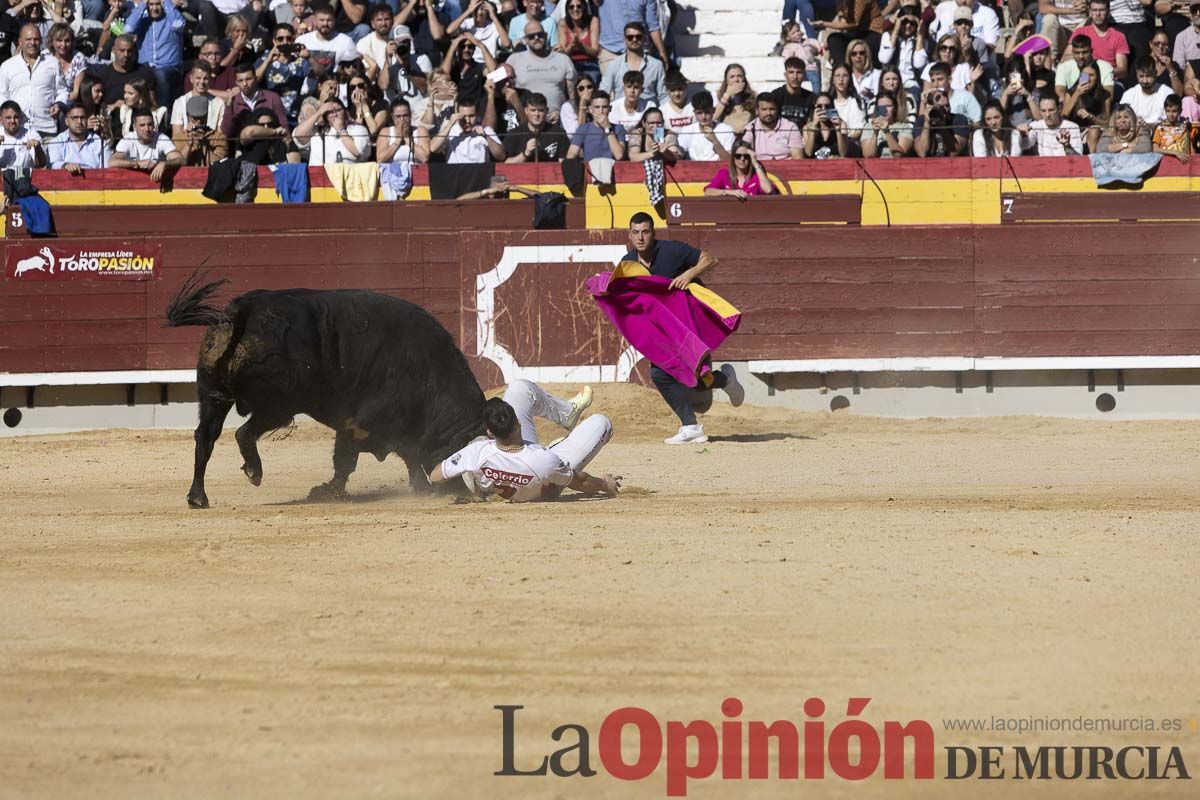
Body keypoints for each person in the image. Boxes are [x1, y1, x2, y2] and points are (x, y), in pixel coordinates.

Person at [623, 212, 745, 444]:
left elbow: (710, 259)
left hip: (689, 323)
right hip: (664, 329)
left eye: (645, 232)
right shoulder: (627, 263)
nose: (640, 238)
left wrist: (688, 274)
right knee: (665, 374)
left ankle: (717, 388)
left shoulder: (672, 251)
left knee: (693, 376)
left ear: (653, 233)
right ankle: (696, 417)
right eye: (636, 233)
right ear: (629, 235)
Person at [429, 382, 621, 501]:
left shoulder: (477, 452)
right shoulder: (545, 461)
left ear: (490, 433)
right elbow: (580, 482)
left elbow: (436, 475)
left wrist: (457, 463)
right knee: (602, 423)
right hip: (546, 470)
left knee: (519, 388)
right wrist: (605, 484)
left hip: (519, 471)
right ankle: (559, 442)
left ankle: (567, 414)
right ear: (518, 422)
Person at [0, 24, 66, 138]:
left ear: (41, 41)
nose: (32, 43)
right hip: (18, 130)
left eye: (36, 39)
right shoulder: (7, 66)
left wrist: (58, 104)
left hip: (46, 128)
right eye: (28, 39)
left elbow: (63, 91)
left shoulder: (53, 63)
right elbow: (2, 96)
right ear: (20, 42)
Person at [125, 0, 186, 109]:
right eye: (151, 4)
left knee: (160, 74)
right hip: (146, 66)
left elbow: (179, 24)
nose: (154, 8)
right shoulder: (143, 21)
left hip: (169, 67)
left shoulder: (171, 19)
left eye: (157, 4)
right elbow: (128, 28)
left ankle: (162, 112)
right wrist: (143, 4)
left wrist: (166, 2)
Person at [507, 17, 576, 112]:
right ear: (525, 40)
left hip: (557, 120)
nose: (536, 38)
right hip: (524, 120)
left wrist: (562, 115)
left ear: (546, 36)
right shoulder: (514, 60)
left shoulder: (563, 59)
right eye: (531, 36)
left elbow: (573, 97)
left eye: (540, 35)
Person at [109, 106, 182, 184]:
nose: (147, 129)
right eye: (142, 125)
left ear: (154, 125)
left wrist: (164, 164)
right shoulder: (128, 139)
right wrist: (137, 163)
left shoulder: (161, 138)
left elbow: (180, 159)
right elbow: (112, 162)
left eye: (150, 124)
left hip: (156, 185)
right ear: (134, 127)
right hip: (130, 184)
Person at [600, 21, 666, 106]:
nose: (634, 40)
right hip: (621, 115)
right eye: (630, 37)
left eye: (638, 37)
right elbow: (603, 91)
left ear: (644, 38)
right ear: (625, 39)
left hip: (649, 114)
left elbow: (663, 96)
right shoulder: (613, 65)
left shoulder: (657, 65)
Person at [293, 96, 371, 162]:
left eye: (338, 110)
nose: (335, 114)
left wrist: (341, 130)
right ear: (325, 115)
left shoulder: (357, 129)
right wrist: (319, 113)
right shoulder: (317, 131)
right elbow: (298, 136)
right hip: (319, 176)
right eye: (330, 112)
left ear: (345, 111)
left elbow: (358, 151)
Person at [429, 95, 505, 162]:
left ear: (477, 115)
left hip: (479, 174)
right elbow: (433, 148)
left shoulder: (485, 130)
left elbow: (501, 156)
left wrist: (486, 137)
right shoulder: (451, 131)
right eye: (464, 116)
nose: (467, 120)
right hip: (455, 175)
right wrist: (450, 124)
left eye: (471, 116)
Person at [1069, 0, 1130, 82]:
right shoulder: (1080, 32)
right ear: (1090, 12)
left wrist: (1098, 71)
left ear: (1108, 12)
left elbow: (1122, 71)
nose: (1097, 14)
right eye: (1094, 10)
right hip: (1083, 78)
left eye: (1101, 10)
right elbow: (1066, 58)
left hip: (1108, 79)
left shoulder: (1118, 36)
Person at [814, 0, 883, 70]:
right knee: (834, 39)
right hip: (856, 31)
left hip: (872, 30)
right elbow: (841, 18)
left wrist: (824, 24)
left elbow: (854, 23)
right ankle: (842, 70)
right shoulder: (841, 1)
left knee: (864, 47)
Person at [504, 91, 569, 162]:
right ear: (526, 111)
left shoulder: (559, 133)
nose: (537, 114)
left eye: (541, 110)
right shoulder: (514, 134)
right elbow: (505, 163)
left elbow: (564, 163)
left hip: (549, 172)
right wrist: (525, 154)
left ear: (546, 111)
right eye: (533, 110)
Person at [171, 63, 227, 139]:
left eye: (205, 78)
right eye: (198, 78)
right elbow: (176, 138)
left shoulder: (219, 103)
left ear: (210, 80)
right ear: (191, 78)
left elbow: (220, 136)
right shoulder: (180, 102)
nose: (202, 82)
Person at [565, 90, 626, 159]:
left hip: (611, 167)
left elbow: (619, 155)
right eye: (597, 107)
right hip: (589, 168)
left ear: (610, 108)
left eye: (605, 107)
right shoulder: (583, 129)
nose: (601, 111)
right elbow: (571, 154)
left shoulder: (618, 128)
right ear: (590, 109)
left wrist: (607, 128)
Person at [675, 90, 734, 161]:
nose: (703, 117)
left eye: (707, 112)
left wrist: (715, 141)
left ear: (713, 110)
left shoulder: (726, 130)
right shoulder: (687, 131)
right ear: (694, 113)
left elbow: (729, 162)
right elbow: (677, 157)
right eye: (699, 113)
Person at [741, 92, 803, 159]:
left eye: (772, 109)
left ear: (777, 110)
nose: (768, 113)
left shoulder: (790, 127)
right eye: (764, 109)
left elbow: (798, 158)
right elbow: (742, 153)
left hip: (785, 167)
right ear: (757, 110)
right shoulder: (750, 128)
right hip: (758, 167)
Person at [704, 139, 776, 196]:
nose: (742, 159)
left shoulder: (756, 176)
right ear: (733, 158)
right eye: (738, 156)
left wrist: (755, 163)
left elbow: (768, 190)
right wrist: (728, 192)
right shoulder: (724, 174)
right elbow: (708, 192)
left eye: (746, 156)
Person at [47, 102, 106, 172]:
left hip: (94, 181)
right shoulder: (57, 142)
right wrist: (65, 165)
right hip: (66, 180)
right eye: (75, 118)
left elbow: (107, 168)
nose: (79, 122)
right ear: (66, 121)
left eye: (83, 118)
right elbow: (54, 164)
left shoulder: (99, 142)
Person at [175, 94, 229, 165]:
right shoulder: (179, 138)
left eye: (201, 119)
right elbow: (177, 164)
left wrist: (203, 145)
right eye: (194, 119)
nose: (198, 122)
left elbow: (219, 166)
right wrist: (188, 144)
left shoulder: (218, 138)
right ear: (188, 117)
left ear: (207, 116)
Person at [914, 88, 970, 156]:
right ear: (930, 107)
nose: (945, 110)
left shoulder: (959, 119)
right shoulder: (922, 120)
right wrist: (927, 123)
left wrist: (942, 127)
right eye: (941, 107)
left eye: (947, 106)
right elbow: (922, 153)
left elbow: (954, 152)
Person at [1119, 56, 1174, 123]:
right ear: (1137, 75)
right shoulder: (1128, 95)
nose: (1145, 81)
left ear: (1156, 73)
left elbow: (1170, 122)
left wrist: (1148, 126)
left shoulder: (1167, 93)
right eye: (1141, 76)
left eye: (1148, 76)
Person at [861, 90, 915, 156]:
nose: (885, 110)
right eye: (881, 107)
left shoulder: (904, 127)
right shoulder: (869, 127)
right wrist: (875, 133)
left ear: (895, 107)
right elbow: (868, 156)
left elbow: (899, 155)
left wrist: (887, 132)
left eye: (888, 106)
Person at [558, 0, 600, 84]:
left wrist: (581, 46)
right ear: (567, 9)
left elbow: (595, 52)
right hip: (570, 64)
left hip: (590, 64)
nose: (575, 9)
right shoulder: (563, 23)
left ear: (584, 7)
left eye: (579, 6)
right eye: (571, 7)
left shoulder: (593, 21)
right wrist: (572, 46)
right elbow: (563, 55)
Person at [770, 56, 814, 129]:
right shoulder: (776, 95)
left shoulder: (811, 98)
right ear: (785, 75)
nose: (795, 77)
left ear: (804, 75)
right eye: (791, 72)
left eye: (799, 72)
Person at [804, 92, 851, 158]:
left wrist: (838, 130)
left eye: (827, 106)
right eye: (819, 106)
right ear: (814, 108)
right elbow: (808, 153)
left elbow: (843, 153)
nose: (823, 109)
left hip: (836, 165)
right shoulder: (807, 127)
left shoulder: (842, 124)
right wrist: (814, 126)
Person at [0, 101, 45, 169]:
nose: (12, 121)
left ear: (20, 118)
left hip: (22, 175)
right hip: (2, 176)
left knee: (19, 174)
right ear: (1, 119)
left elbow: (42, 164)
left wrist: (37, 148)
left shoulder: (31, 134)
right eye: (8, 118)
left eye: (16, 117)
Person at [714, 62, 754, 135]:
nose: (736, 80)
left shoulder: (752, 96)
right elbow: (713, 118)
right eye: (732, 77)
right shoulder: (717, 95)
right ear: (726, 80)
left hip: (746, 136)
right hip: (725, 137)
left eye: (739, 76)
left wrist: (747, 127)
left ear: (744, 79)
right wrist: (727, 95)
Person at [1152, 92, 1191, 160]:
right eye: (1168, 111)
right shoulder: (1160, 128)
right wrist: (1175, 153)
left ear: (1180, 111)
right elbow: (1155, 149)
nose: (1171, 114)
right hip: (1165, 162)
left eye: (1174, 111)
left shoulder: (1185, 126)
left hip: (1183, 162)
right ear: (1164, 110)